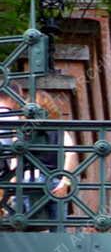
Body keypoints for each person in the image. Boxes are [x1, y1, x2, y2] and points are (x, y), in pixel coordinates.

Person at [0, 89, 77, 228]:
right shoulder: (59, 130)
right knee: (59, 228)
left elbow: (16, 160)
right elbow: (71, 153)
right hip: (54, 181)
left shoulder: (22, 132)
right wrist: (65, 183)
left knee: (23, 226)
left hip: (27, 180)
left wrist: (11, 186)